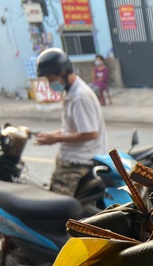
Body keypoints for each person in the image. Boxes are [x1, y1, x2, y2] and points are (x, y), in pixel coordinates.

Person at [34, 47, 108, 197]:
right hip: (73, 159)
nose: (50, 83)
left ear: (63, 72)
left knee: (55, 209)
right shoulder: (72, 92)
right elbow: (74, 128)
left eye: (51, 78)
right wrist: (51, 135)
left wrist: (55, 138)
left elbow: (90, 133)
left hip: (78, 163)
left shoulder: (80, 96)